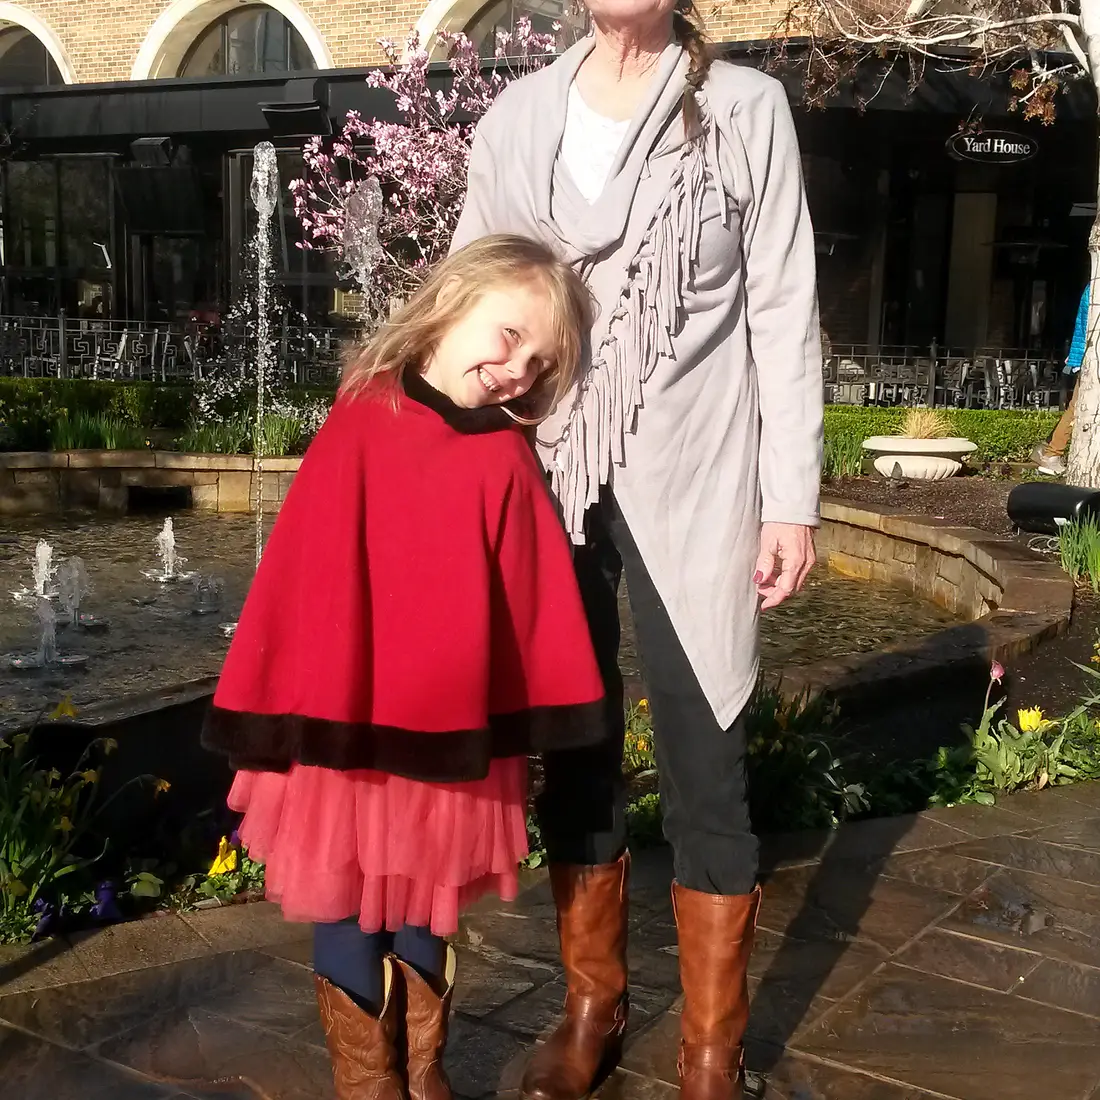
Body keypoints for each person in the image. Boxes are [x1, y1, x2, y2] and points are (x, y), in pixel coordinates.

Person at [451, 4, 823, 1098]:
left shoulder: (743, 113)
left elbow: (782, 308)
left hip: (699, 473)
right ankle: (592, 1005)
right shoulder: (516, 121)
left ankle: (711, 1042)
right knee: (574, 746)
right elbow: (470, 302)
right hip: (542, 475)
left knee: (706, 758)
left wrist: (788, 498)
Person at [201, 235, 606, 1100]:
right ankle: (368, 1086)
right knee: (347, 902)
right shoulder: (361, 419)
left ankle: (423, 1077)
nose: (515, 370)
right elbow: (302, 577)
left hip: (448, 739)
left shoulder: (503, 452)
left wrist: (536, 710)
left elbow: (530, 597)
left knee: (426, 903)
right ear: (451, 300)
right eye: (506, 338)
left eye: (538, 363)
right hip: (345, 739)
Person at [1035, 282, 1090, 477]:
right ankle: (1051, 453)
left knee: (1075, 407)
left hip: (1085, 356)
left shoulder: (1091, 287)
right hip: (1091, 359)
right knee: (1077, 408)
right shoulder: (1096, 290)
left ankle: (1049, 450)